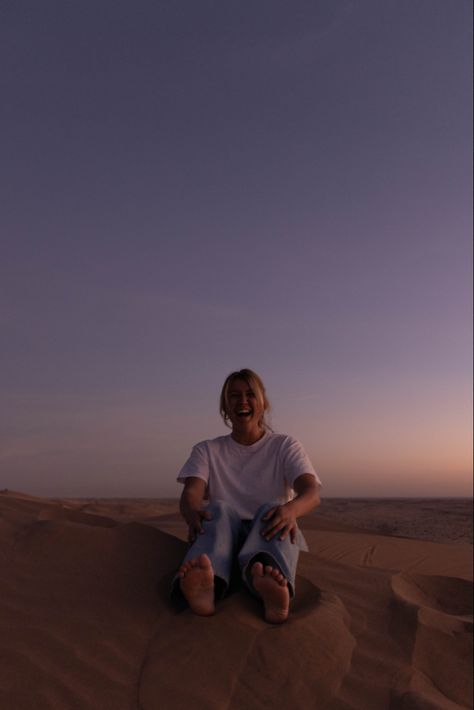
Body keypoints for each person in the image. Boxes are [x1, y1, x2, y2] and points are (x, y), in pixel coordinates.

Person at [174, 368, 321, 623]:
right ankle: (207, 588)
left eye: (250, 394)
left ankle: (271, 586)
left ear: (263, 403)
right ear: (225, 407)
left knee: (272, 510)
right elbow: (191, 492)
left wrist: (292, 510)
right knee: (218, 510)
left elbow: (311, 492)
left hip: (268, 531)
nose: (242, 401)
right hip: (224, 535)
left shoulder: (285, 446)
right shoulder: (207, 449)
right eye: (234, 396)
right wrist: (191, 512)